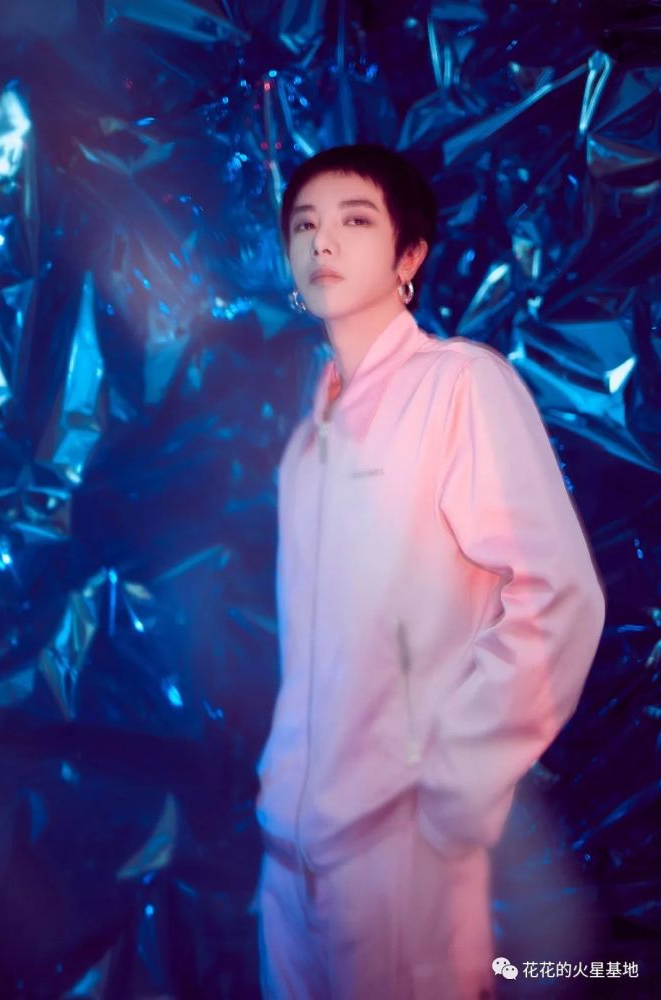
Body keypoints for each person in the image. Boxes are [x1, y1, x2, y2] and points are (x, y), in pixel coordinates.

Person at [252, 143, 606, 999]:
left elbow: (556, 595)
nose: (321, 242)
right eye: (303, 225)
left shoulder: (458, 386)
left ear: (408, 255)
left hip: (397, 854)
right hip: (286, 861)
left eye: (354, 220)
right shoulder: (306, 445)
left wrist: (454, 788)